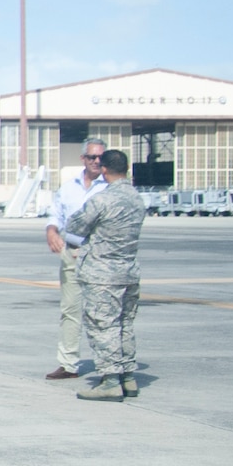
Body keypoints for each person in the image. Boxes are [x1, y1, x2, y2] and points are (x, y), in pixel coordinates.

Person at [66, 148, 146, 401]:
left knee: (104, 326)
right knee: (125, 325)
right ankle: (128, 377)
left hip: (102, 273)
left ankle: (110, 380)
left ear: (104, 169)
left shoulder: (102, 199)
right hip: (129, 271)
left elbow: (75, 225)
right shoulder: (136, 198)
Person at [43, 139, 108, 380]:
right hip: (71, 253)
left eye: (101, 157)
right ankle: (68, 363)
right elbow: (56, 214)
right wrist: (51, 231)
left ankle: (108, 365)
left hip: (99, 256)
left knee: (102, 312)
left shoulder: (110, 187)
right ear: (83, 158)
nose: (96, 161)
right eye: (92, 157)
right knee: (70, 309)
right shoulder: (69, 187)